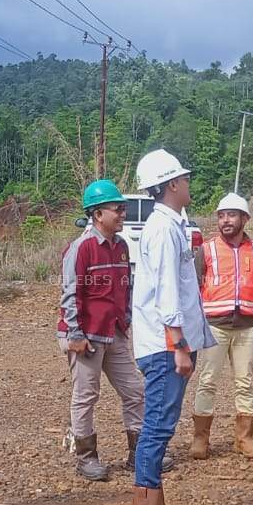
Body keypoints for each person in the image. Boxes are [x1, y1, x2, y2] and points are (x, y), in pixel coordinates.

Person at [126, 149, 215, 505]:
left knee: (161, 423)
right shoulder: (163, 230)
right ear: (172, 185)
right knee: (158, 427)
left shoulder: (169, 225)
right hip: (165, 346)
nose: (188, 183)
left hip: (168, 343)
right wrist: (178, 344)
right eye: (184, 178)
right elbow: (166, 292)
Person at [57, 179, 174, 480]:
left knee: (135, 391)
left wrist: (126, 319)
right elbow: (70, 295)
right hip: (86, 334)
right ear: (97, 214)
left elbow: (126, 285)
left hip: (114, 331)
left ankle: (139, 453)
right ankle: (86, 457)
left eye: (123, 209)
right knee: (86, 395)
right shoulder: (81, 249)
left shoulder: (121, 246)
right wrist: (75, 335)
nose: (123, 214)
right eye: (118, 209)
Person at [190, 192, 253, 460]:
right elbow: (192, 288)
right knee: (207, 381)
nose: (225, 220)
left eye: (231, 215)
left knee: (245, 382)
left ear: (244, 219)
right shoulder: (207, 249)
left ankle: (244, 439)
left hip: (247, 326)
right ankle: (200, 439)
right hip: (214, 324)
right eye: (221, 215)